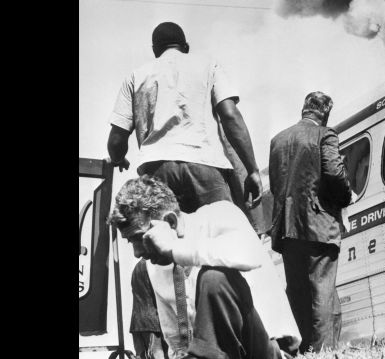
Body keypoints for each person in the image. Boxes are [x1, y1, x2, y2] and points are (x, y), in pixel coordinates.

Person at [108, 175, 300, 359]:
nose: (137, 252)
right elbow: (175, 341)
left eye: (140, 238)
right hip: (215, 354)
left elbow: (249, 255)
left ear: (170, 222)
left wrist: (176, 249)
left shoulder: (220, 215)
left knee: (215, 278)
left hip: (263, 350)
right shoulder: (154, 266)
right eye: (130, 242)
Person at [107, 21, 263, 215]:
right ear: (186, 47)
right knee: (216, 236)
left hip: (157, 170)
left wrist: (118, 159)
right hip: (204, 164)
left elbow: (116, 140)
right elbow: (230, 116)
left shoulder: (136, 76)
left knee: (161, 240)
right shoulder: (209, 66)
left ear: (155, 50)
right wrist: (252, 170)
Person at [268, 92, 355, 354]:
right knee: (321, 291)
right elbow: (334, 175)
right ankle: (323, 352)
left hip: (287, 229)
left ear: (304, 109)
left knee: (298, 293)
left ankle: (304, 350)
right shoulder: (325, 135)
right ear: (325, 113)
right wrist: (344, 198)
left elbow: (276, 186)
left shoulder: (277, 141)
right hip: (318, 225)